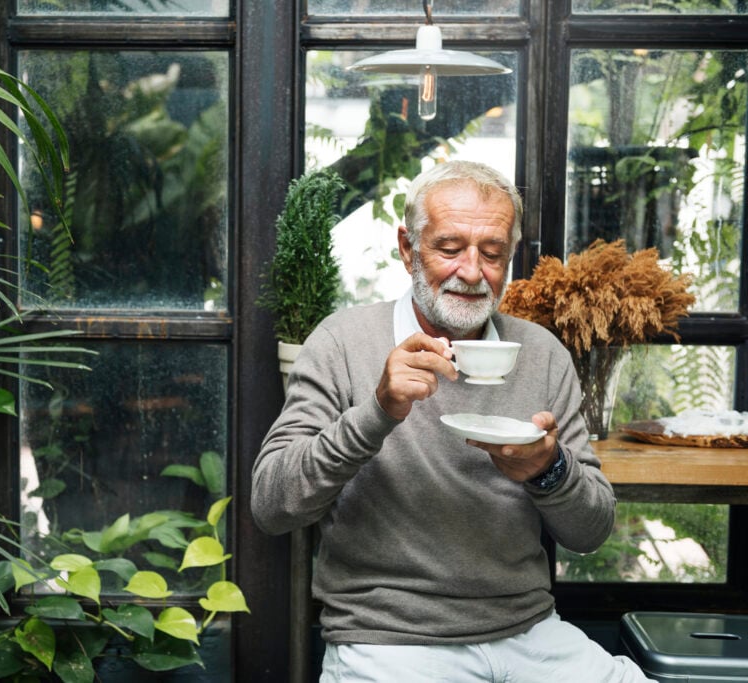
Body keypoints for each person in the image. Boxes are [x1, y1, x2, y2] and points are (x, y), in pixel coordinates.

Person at [251, 160, 654, 682]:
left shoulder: (541, 354)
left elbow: (592, 531)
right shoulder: (343, 342)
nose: (471, 272)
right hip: (389, 640)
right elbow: (271, 505)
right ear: (407, 248)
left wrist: (548, 469)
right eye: (449, 248)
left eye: (492, 254)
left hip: (528, 631)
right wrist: (376, 414)